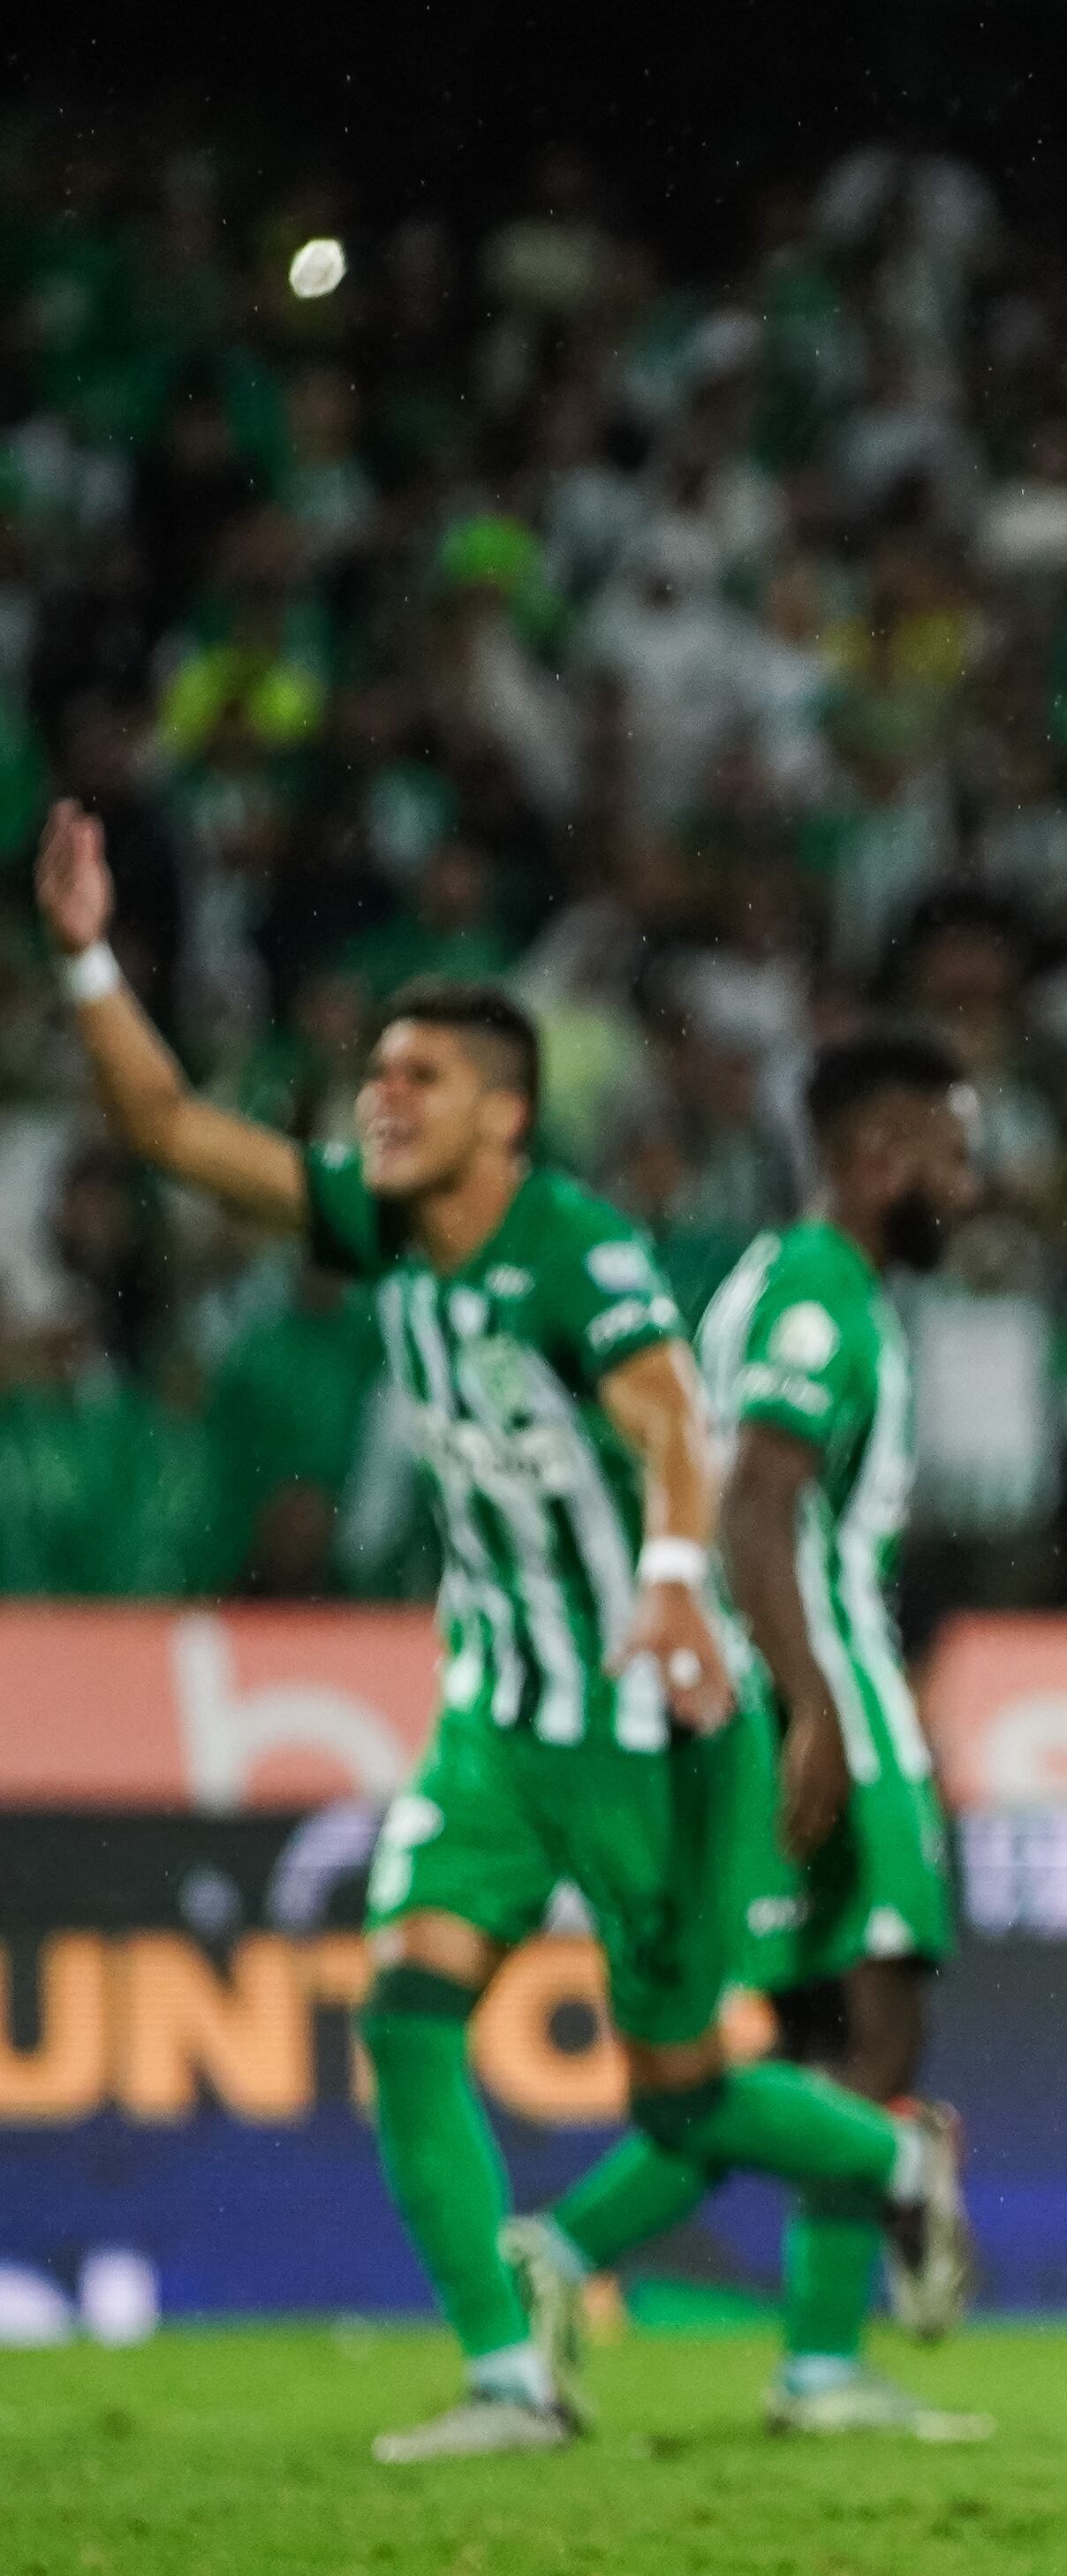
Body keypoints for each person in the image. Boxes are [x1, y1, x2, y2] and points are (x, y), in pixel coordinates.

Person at [31, 803, 974, 2461]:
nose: (381, 1100)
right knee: (403, 2006)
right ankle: (507, 2373)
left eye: (422, 1082)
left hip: (655, 1720)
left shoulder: (576, 1252)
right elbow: (173, 1124)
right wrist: (91, 956)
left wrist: (676, 1584)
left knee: (682, 2091)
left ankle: (893, 2160)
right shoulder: (382, 1224)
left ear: (508, 1117)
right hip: (499, 1711)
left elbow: (679, 1420)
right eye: (376, 1075)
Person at [505, 1030, 987, 2419]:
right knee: (877, 2037)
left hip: (762, 1695)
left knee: (789, 2060)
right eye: (951, 1155)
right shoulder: (819, 1296)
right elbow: (759, 1501)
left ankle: (565, 2247)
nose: (967, 1185)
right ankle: (824, 2359)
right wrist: (819, 1708)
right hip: (821, 1691)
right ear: (878, 1154)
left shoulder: (790, 1287)